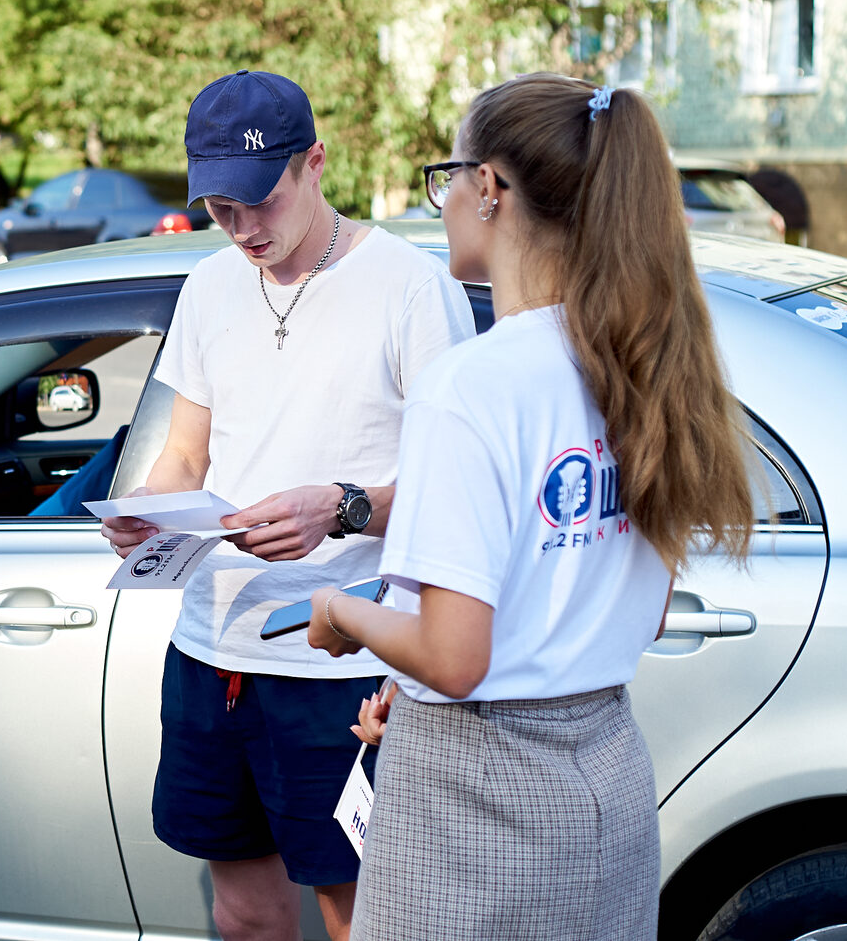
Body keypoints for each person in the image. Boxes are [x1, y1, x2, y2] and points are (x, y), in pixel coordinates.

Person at [308, 74, 754, 940]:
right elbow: (640, 608)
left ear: (491, 189)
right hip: (607, 778)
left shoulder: (472, 385)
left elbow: (455, 656)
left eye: (450, 176)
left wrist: (342, 613)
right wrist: (418, 678)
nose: (443, 203)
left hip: (473, 800)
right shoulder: (640, 367)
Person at [101, 70, 474, 941]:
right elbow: (186, 454)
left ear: (314, 163)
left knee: (361, 918)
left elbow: (459, 494)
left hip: (344, 659)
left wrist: (341, 508)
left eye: (258, 203)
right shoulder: (209, 287)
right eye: (220, 209)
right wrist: (147, 512)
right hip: (212, 651)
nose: (242, 230)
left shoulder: (413, 292)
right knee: (242, 916)